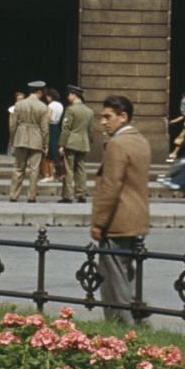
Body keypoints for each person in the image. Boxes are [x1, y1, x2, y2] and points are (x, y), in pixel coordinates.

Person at [90, 94, 150, 326]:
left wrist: (99, 223)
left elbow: (111, 186)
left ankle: (122, 325)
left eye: (108, 117)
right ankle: (140, 320)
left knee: (114, 279)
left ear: (123, 117)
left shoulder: (117, 144)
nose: (103, 122)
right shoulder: (140, 141)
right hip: (136, 218)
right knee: (127, 274)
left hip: (117, 220)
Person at [7, 84, 50, 202]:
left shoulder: (19, 104)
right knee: (34, 169)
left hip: (21, 137)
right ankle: (31, 196)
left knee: (18, 168)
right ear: (39, 92)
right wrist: (46, 143)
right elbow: (45, 128)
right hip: (36, 139)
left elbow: (12, 125)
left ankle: (13, 195)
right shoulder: (43, 107)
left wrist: (12, 139)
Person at [60, 86, 93, 203]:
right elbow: (90, 129)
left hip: (71, 142)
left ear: (74, 95)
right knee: (81, 169)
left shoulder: (70, 110)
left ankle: (68, 195)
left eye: (69, 95)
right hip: (83, 142)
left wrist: (61, 144)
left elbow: (66, 128)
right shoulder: (89, 111)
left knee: (69, 169)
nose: (68, 97)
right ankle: (81, 194)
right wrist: (89, 141)